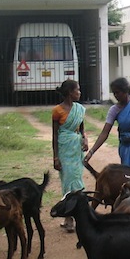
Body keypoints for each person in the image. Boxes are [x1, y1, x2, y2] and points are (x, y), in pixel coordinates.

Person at [84, 77, 130, 170]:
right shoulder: (114, 110)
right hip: (127, 148)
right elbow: (105, 133)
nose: (116, 95)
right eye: (114, 93)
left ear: (125, 91)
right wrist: (91, 152)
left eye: (118, 92)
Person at [51, 79, 88, 233]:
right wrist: (56, 157)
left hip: (76, 150)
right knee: (67, 182)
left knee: (77, 181)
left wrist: (85, 139)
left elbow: (82, 130)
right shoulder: (57, 111)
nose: (79, 92)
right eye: (77, 90)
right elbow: (54, 135)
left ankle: (78, 215)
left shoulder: (80, 109)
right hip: (64, 150)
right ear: (69, 93)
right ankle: (69, 217)